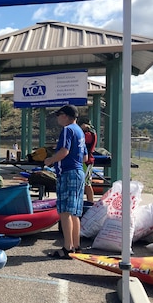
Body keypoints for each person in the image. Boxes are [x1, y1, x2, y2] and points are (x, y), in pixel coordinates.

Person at [44, 105, 87, 259]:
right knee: (74, 212)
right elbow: (85, 158)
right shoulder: (80, 131)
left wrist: (50, 160)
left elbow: (64, 151)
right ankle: (76, 245)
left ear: (66, 116)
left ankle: (67, 248)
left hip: (68, 174)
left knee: (65, 212)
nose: (57, 117)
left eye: (59, 114)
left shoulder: (67, 130)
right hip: (79, 173)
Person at [79, 117, 97, 202]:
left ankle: (90, 202)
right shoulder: (87, 133)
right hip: (84, 161)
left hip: (87, 161)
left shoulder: (89, 134)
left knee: (86, 183)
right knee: (86, 183)